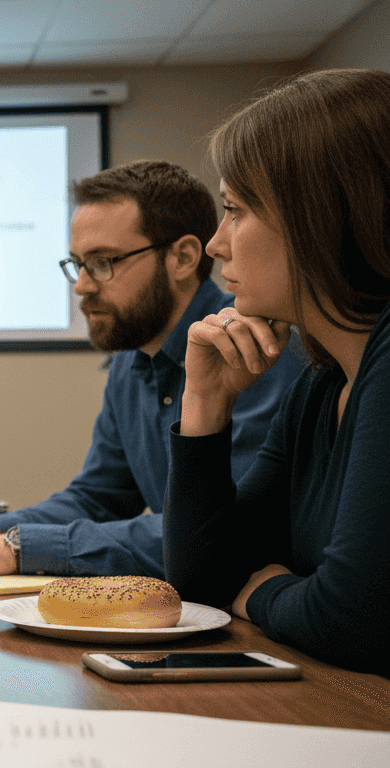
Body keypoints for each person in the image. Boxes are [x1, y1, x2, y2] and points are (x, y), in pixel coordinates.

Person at [0, 160, 304, 583]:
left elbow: (223, 529)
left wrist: (18, 548)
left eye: (103, 262)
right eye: (78, 264)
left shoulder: (252, 348)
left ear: (183, 257)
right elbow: (100, 497)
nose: (82, 286)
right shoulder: (132, 357)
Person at [166, 68, 390, 675]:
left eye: (234, 210)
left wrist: (259, 592)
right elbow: (202, 580)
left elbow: (353, 619)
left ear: (326, 217)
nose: (216, 244)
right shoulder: (324, 382)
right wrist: (205, 404)